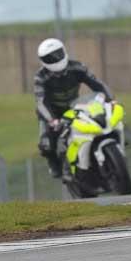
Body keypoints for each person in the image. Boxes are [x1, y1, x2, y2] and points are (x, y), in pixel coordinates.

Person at [34, 38, 114, 179]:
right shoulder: (40, 77)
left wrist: (110, 99)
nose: (56, 59)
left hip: (74, 106)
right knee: (46, 144)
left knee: (100, 122)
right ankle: (54, 164)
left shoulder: (77, 67)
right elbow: (41, 102)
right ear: (43, 61)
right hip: (51, 113)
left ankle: (103, 151)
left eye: (58, 54)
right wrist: (52, 120)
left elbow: (97, 84)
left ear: (64, 51)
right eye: (50, 58)